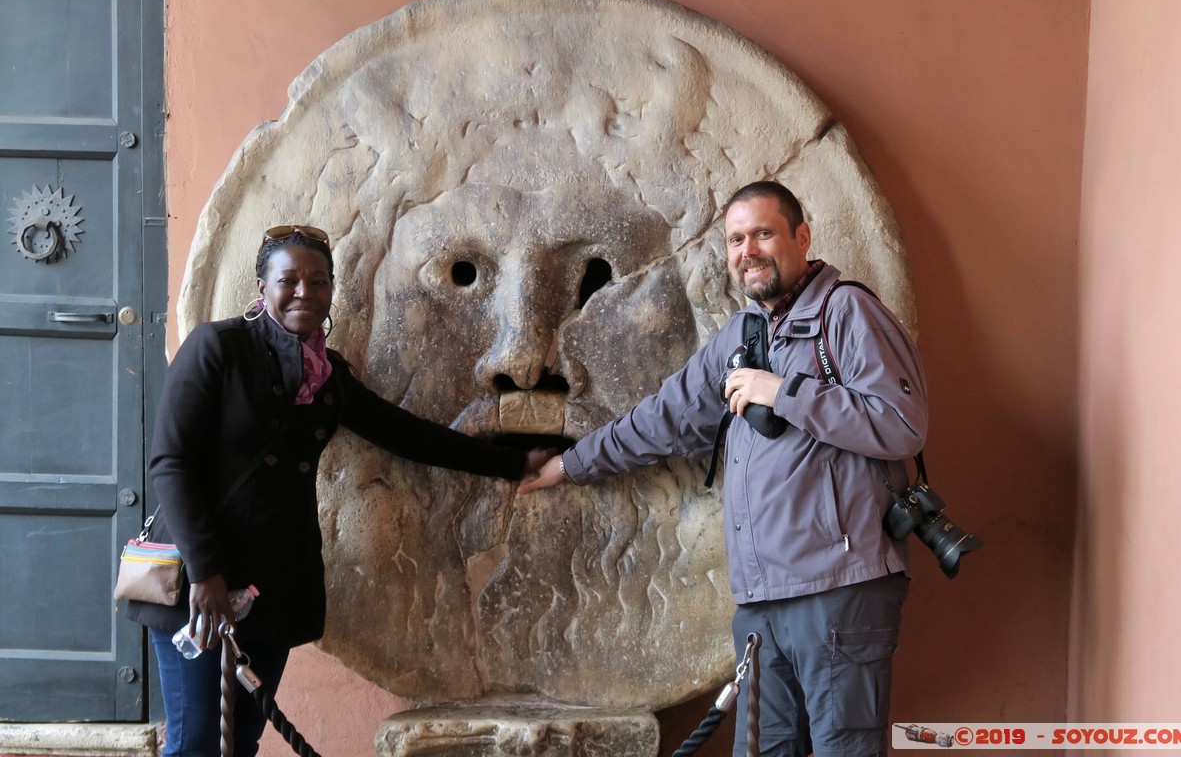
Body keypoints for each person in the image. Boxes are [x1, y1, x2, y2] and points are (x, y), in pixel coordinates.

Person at [519, 181, 928, 757]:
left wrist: (784, 392)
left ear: (802, 237)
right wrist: (571, 463)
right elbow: (665, 418)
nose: (748, 251)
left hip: (840, 591)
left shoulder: (849, 312)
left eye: (764, 233)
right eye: (737, 239)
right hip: (761, 603)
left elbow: (901, 423)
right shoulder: (744, 334)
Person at [126, 225, 553, 757]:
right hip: (200, 588)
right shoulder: (218, 347)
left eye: (318, 281)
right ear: (263, 287)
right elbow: (170, 464)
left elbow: (407, 435)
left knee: (239, 743)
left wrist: (513, 463)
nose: (304, 291)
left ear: (331, 292)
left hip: (269, 590)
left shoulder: (327, 377)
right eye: (289, 280)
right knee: (195, 745)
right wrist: (207, 573)